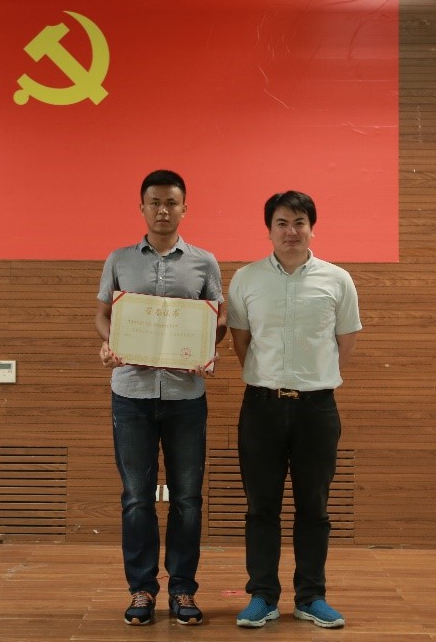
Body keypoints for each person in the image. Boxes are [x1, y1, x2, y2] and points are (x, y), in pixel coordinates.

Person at [95, 169, 227, 626]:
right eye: (155, 202)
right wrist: (110, 342)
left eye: (172, 202)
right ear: (142, 207)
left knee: (188, 498)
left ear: (184, 208)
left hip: (185, 396)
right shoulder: (119, 259)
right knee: (136, 497)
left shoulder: (204, 262)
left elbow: (217, 320)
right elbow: (102, 314)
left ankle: (183, 589)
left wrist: (207, 348)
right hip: (130, 394)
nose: (163, 210)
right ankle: (142, 589)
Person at [227, 190, 361, 630]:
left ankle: (311, 596)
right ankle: (262, 596)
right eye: (282, 223)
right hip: (261, 407)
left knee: (314, 506)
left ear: (311, 228)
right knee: (260, 506)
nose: (291, 231)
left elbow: (345, 341)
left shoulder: (337, 280)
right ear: (269, 229)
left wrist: (313, 380)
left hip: (316, 409)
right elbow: (242, 342)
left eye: (299, 222)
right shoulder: (246, 279)